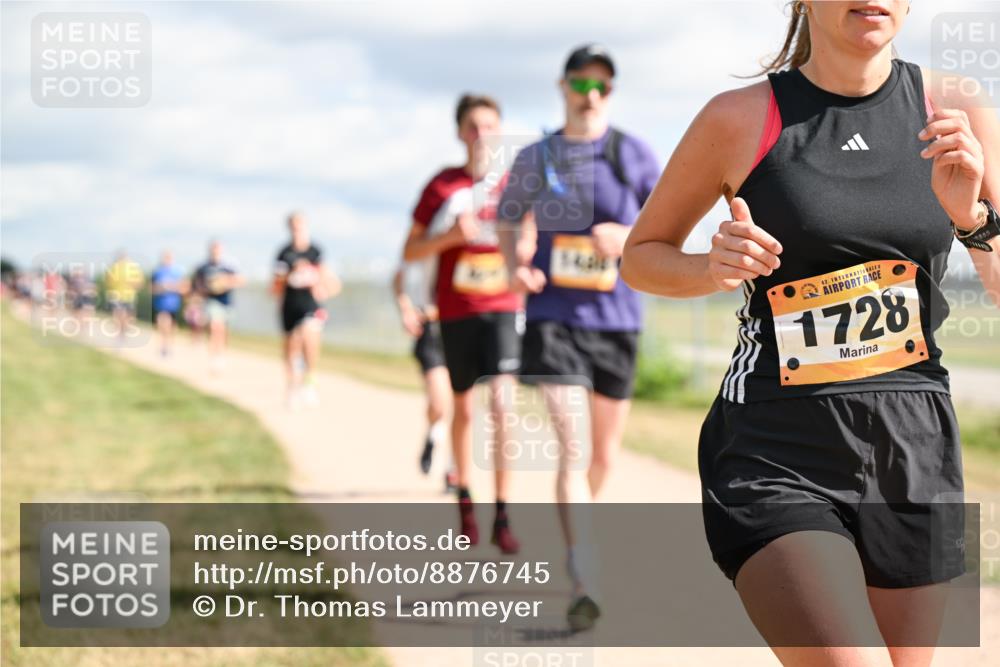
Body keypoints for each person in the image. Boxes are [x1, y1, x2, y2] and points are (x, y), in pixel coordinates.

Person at [620, 1, 999, 664]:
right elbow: (641, 257)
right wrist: (711, 267)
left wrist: (972, 220)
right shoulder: (738, 118)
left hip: (913, 441)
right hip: (777, 442)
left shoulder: (955, 107)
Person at [497, 44, 661, 630]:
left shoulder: (632, 153)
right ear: (563, 87)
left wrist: (629, 235)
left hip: (617, 321)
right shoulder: (537, 156)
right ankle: (584, 575)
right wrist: (514, 266)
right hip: (554, 319)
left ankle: (577, 532)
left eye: (601, 86)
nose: (590, 95)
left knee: (603, 456)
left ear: (610, 93)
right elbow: (507, 215)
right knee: (573, 446)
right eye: (580, 84)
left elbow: (671, 219)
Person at [403, 94, 522, 554]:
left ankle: (503, 513)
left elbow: (529, 238)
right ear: (460, 133)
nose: (481, 135)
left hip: (504, 308)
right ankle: (466, 500)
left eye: (490, 126)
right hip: (456, 313)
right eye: (473, 126)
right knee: (465, 410)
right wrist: (450, 236)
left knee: (503, 406)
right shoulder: (442, 186)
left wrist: (525, 256)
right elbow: (410, 251)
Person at [392, 262, 456, 489]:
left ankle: (453, 468)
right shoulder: (425, 247)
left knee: (462, 407)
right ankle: (433, 433)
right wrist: (406, 310)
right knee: (439, 404)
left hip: (465, 328)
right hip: (432, 332)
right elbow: (398, 277)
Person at [272, 212, 341, 408]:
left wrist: (322, 285)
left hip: (310, 304)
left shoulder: (315, 251)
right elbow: (276, 284)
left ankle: (309, 381)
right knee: (291, 348)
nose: (297, 230)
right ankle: (292, 387)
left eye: (300, 226)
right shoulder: (284, 253)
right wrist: (292, 273)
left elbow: (328, 277)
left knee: (309, 336)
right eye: (294, 226)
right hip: (290, 304)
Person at [192, 240, 245, 373]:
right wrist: (206, 289)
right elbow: (197, 284)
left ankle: (221, 354)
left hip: (226, 303)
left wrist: (224, 283)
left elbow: (240, 280)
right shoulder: (203, 267)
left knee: (223, 331)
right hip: (211, 302)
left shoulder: (229, 266)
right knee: (215, 327)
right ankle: (214, 358)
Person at [103, 250, 145, 346]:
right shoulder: (115, 267)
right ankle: (120, 335)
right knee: (118, 315)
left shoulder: (132, 268)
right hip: (117, 295)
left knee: (127, 317)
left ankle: (122, 333)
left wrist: (133, 284)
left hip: (128, 296)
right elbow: (108, 281)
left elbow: (140, 283)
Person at [150, 250, 187, 357]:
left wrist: (172, 287)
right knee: (162, 323)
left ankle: (169, 345)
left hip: (173, 304)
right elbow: (151, 288)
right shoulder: (157, 272)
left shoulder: (178, 272)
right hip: (160, 304)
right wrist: (160, 288)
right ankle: (163, 346)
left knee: (171, 326)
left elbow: (185, 288)